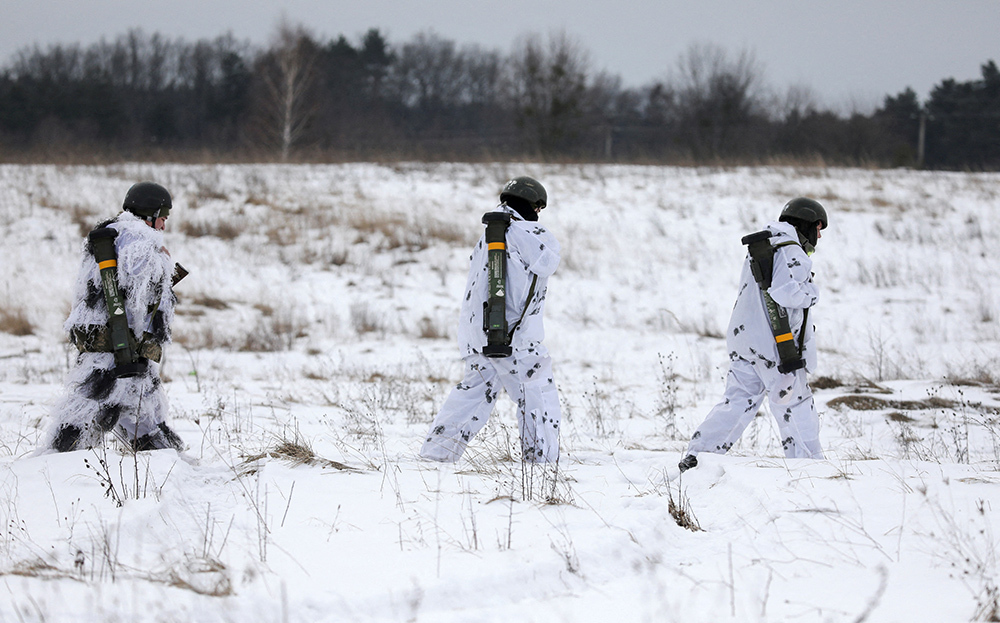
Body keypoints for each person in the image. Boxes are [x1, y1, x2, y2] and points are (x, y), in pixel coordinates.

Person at [678, 198, 828, 472]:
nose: (818, 236)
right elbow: (786, 292)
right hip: (775, 345)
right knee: (795, 403)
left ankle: (698, 457)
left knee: (738, 401)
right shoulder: (791, 250)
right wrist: (813, 293)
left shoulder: (764, 245)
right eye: (818, 229)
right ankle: (810, 468)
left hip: (745, 339)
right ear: (807, 224)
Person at [420, 176, 562, 463]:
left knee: (472, 393)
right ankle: (542, 462)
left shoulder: (488, 236)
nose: (538, 215)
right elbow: (548, 260)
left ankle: (436, 455)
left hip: (478, 333)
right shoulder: (524, 234)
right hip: (512, 336)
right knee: (537, 391)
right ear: (531, 206)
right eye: (538, 209)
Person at [42, 182, 185, 453]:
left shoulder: (115, 234)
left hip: (120, 342)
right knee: (88, 406)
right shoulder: (136, 236)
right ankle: (54, 464)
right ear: (150, 214)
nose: (164, 226)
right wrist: (164, 263)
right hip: (113, 345)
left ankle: (160, 458)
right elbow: (139, 281)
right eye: (163, 218)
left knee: (143, 405)